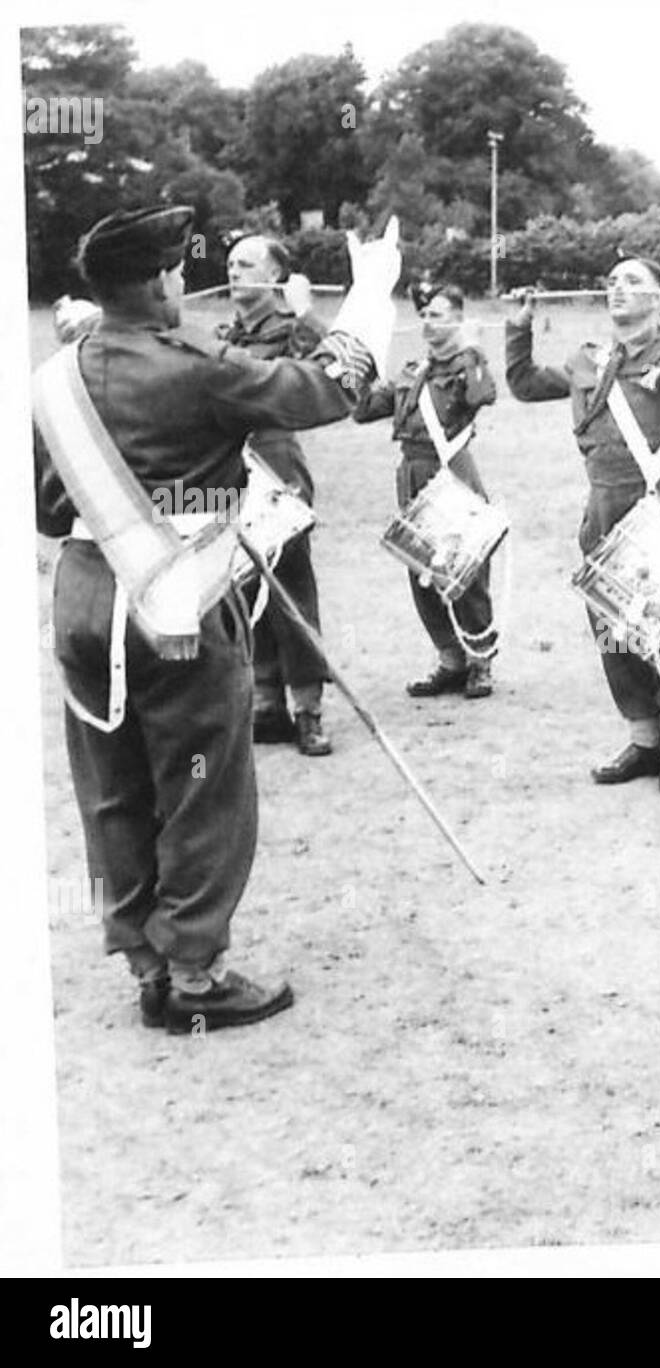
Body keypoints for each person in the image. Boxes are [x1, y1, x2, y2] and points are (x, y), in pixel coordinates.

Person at [32, 204, 398, 1031]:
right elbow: (332, 387)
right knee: (201, 782)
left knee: (110, 784)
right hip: (180, 601)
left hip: (84, 596)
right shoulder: (196, 363)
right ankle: (195, 973)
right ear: (162, 281)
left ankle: (145, 960)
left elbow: (44, 512)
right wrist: (373, 284)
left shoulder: (53, 376)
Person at [505, 257, 660, 794]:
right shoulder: (592, 359)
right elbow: (523, 384)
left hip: (658, 507)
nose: (618, 288)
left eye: (633, 281)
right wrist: (519, 327)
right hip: (604, 510)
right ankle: (643, 739)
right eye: (612, 281)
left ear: (659, 300)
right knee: (614, 629)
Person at [353, 280, 499, 699]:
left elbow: (483, 393)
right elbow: (363, 411)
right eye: (425, 314)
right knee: (421, 571)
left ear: (458, 319)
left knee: (465, 570)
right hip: (413, 474)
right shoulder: (412, 371)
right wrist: (361, 365)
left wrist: (471, 349)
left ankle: (480, 661)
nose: (427, 322)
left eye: (437, 314)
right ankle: (449, 659)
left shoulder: (466, 366)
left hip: (452, 473)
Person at [220, 233, 334, 755]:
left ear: (274, 276)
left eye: (247, 264)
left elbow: (334, 368)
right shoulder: (223, 336)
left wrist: (306, 312)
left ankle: (308, 708)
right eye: (230, 264)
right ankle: (265, 701)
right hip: (228, 471)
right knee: (244, 587)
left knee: (289, 587)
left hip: (277, 465)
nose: (235, 272)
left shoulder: (292, 330)